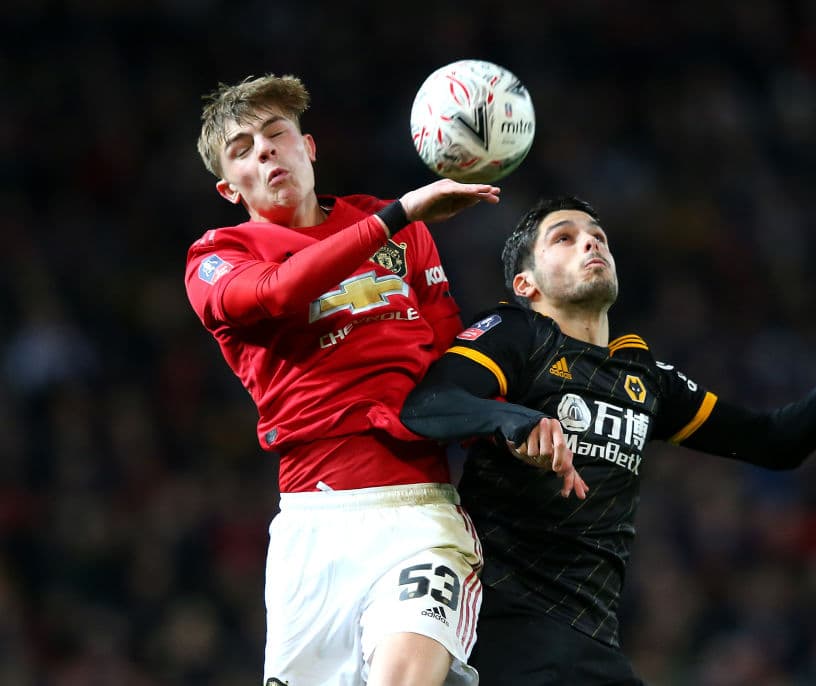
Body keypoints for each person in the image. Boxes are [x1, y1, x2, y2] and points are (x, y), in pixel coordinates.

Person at [400, 195, 816, 684]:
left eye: (598, 236)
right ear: (526, 284)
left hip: (592, 638)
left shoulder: (643, 374)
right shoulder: (515, 334)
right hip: (501, 624)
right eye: (564, 237)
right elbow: (426, 406)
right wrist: (514, 420)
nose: (591, 243)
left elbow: (776, 442)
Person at [184, 74, 579, 686]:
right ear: (229, 188)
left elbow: (452, 365)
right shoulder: (219, 258)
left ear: (308, 147)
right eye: (242, 149)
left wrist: (516, 432)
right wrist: (400, 214)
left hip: (418, 515)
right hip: (312, 529)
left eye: (275, 134)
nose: (264, 150)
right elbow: (280, 291)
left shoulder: (399, 233)